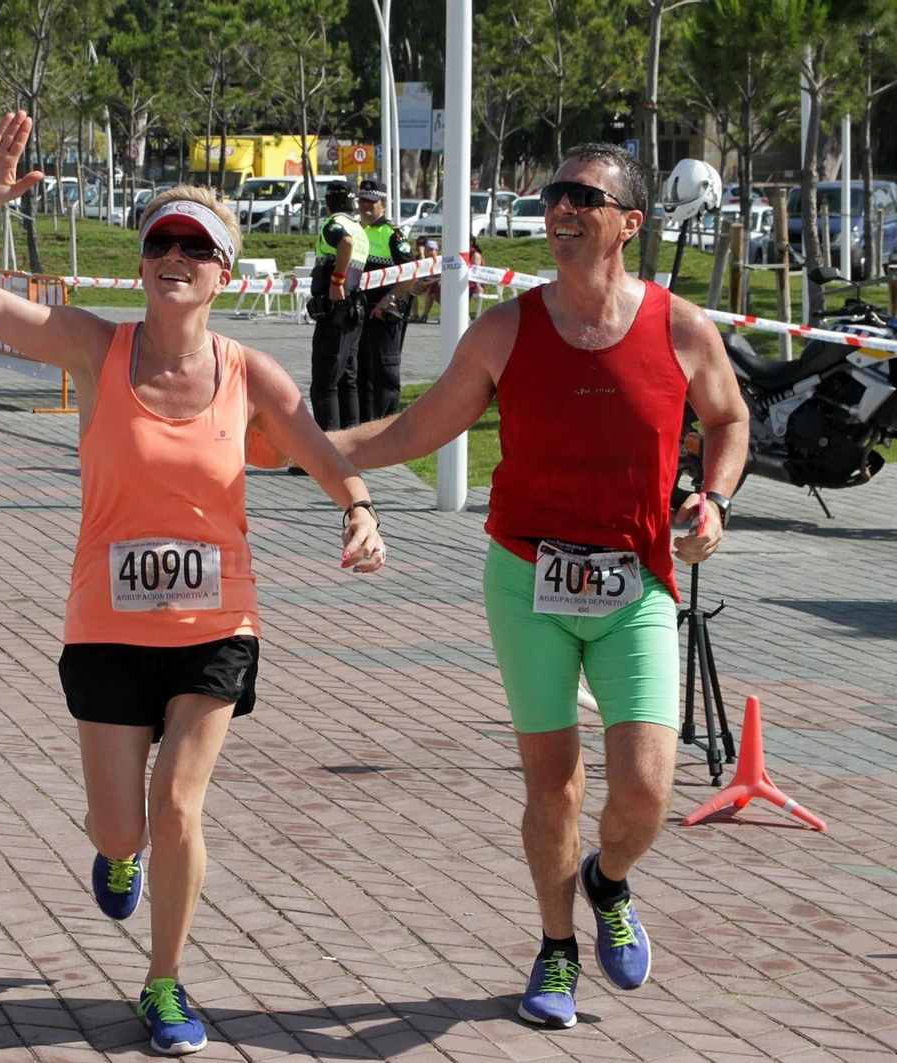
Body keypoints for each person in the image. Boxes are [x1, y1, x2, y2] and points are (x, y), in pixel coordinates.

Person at [248, 143, 748, 1031]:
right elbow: (416, 427)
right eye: (554, 193)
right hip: (528, 578)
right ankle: (557, 948)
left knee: (645, 791)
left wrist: (713, 496)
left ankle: (609, 880)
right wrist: (304, 450)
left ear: (629, 223)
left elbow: (729, 417)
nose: (559, 207)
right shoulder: (506, 331)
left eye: (581, 197)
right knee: (553, 784)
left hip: (638, 584)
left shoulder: (680, 327)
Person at [0, 111, 387, 1056]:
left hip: (216, 625)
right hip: (106, 625)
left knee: (177, 803)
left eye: (197, 246)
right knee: (120, 826)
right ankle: (117, 856)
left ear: (224, 270)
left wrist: (357, 506)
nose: (176, 257)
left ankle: (165, 982)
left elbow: (315, 449)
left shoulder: (249, 371)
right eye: (162, 242)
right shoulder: (93, 348)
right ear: (143, 262)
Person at [302, 180, 367, 444]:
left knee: (324, 384)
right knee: (346, 382)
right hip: (353, 310)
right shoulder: (359, 228)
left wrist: (336, 281)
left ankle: (327, 451)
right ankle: (351, 447)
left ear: (327, 202)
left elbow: (345, 243)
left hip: (335, 311)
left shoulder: (335, 225)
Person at [353, 179, 416, 421]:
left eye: (371, 202)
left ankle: (386, 430)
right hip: (359, 316)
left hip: (383, 315)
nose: (365, 206)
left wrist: (388, 300)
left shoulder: (393, 233)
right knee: (360, 376)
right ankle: (362, 432)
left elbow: (411, 271)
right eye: (362, 201)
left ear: (383, 205)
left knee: (384, 375)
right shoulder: (357, 230)